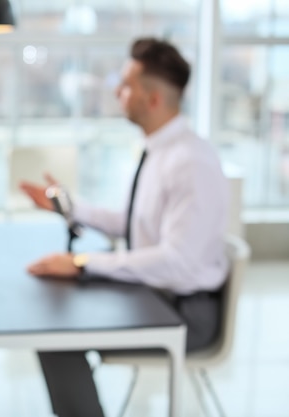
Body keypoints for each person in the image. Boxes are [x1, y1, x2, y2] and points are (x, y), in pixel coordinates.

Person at [20, 38, 229, 417]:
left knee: (55, 332)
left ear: (152, 99)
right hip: (155, 293)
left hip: (184, 313)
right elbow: (135, 223)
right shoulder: (161, 150)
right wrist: (68, 208)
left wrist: (83, 263)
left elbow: (176, 262)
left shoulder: (190, 162)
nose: (117, 90)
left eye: (127, 84)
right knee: (52, 317)